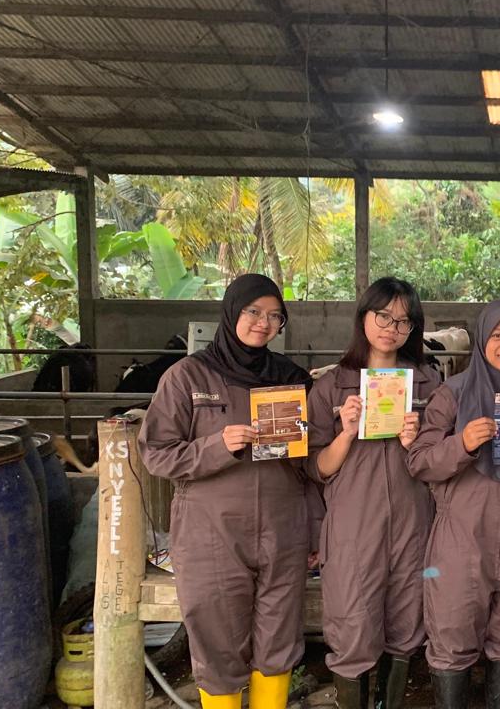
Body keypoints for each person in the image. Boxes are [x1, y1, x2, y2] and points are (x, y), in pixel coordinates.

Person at [140, 274, 311, 709]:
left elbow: (313, 463)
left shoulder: (292, 379)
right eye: (253, 311)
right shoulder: (187, 376)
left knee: (278, 635)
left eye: (275, 316)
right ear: (232, 311)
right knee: (216, 636)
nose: (263, 323)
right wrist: (218, 446)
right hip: (210, 532)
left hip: (283, 527)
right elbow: (156, 454)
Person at [407, 299, 500, 709]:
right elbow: (419, 461)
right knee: (452, 638)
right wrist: (463, 443)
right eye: (498, 336)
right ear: (482, 339)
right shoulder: (451, 395)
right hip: (461, 542)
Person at [307, 278, 442, 708]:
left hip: (412, 524)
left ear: (413, 329)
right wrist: (346, 434)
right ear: (364, 316)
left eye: (403, 321)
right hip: (352, 528)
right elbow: (315, 467)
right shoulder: (332, 384)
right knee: (352, 623)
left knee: (406, 622)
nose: (391, 328)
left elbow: (443, 460)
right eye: (383, 315)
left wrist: (415, 442)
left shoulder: (428, 382)